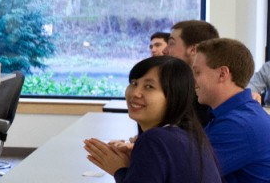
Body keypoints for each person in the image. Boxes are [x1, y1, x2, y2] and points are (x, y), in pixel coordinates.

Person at [83, 56, 220, 182]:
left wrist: (119, 169)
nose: (135, 93)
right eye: (134, 83)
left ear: (174, 96)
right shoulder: (189, 134)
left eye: (149, 87)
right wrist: (138, 162)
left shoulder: (155, 139)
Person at [193, 38, 270, 182]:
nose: (193, 80)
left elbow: (184, 173)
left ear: (222, 74)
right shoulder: (237, 115)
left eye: (197, 72)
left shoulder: (239, 125)